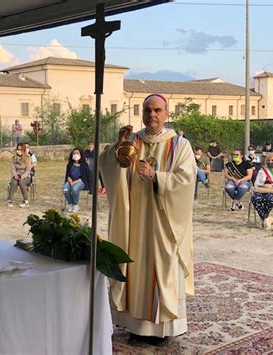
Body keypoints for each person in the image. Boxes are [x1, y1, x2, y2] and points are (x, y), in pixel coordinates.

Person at [99, 93, 196, 338]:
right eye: (147, 110)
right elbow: (108, 166)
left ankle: (162, 329)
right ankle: (135, 326)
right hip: (134, 220)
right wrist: (119, 148)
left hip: (164, 221)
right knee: (134, 264)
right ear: (142, 114)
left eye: (157, 110)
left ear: (166, 114)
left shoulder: (180, 145)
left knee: (162, 267)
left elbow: (186, 181)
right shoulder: (134, 142)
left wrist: (157, 177)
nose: (152, 115)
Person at [251, 153, 273, 229]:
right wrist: (263, 185)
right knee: (255, 198)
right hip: (262, 191)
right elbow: (256, 183)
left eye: (272, 160)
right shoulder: (262, 171)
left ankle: (262, 219)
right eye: (268, 160)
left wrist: (272, 185)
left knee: (269, 198)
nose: (270, 162)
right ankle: (266, 219)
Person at [62, 147, 91, 212]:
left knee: (74, 189)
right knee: (65, 189)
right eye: (74, 153)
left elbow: (86, 177)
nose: (75, 154)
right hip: (70, 181)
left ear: (80, 154)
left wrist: (76, 182)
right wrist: (70, 180)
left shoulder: (84, 165)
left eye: (77, 153)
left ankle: (75, 205)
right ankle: (71, 204)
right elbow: (68, 175)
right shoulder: (70, 164)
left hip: (81, 181)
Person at [7, 143, 32, 208]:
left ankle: (26, 202)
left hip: (25, 176)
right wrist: (15, 175)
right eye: (18, 149)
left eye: (21, 150)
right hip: (16, 175)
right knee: (14, 183)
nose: (19, 151)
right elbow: (13, 169)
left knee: (21, 182)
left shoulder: (28, 158)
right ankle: (9, 200)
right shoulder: (13, 158)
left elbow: (28, 170)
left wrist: (23, 176)